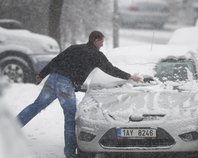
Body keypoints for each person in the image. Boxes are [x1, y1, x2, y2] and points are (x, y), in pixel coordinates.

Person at [16, 30, 143, 158]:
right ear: (96, 40)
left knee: (36, 105)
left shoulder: (74, 48)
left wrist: (41, 74)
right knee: (71, 115)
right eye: (102, 42)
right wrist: (130, 76)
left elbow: (56, 60)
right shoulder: (96, 55)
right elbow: (111, 69)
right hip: (65, 85)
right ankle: (70, 153)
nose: (102, 45)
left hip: (53, 78)